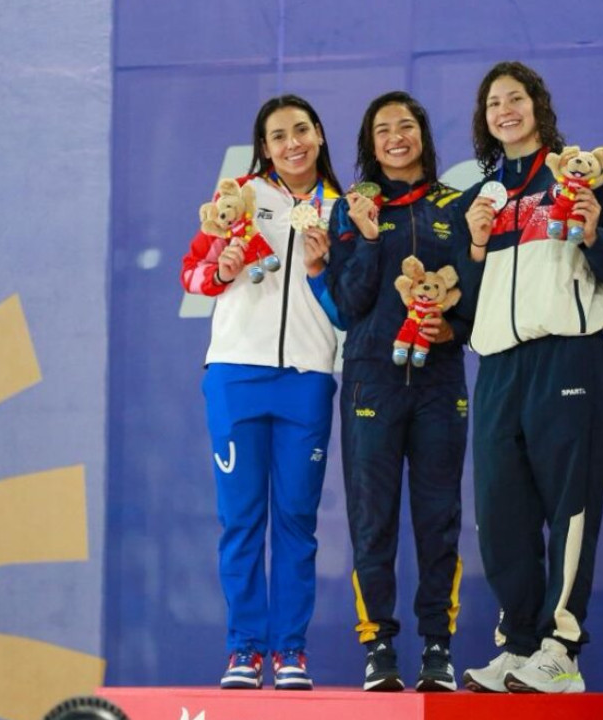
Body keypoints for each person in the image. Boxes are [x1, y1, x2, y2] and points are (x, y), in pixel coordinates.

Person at [450, 61, 603, 694]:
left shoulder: (577, 173)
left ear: (538, 106)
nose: (504, 110)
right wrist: (475, 248)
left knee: (568, 506)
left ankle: (561, 646)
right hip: (500, 364)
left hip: (567, 356)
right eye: (493, 103)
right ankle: (520, 643)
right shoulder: (485, 195)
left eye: (516, 98)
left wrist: (589, 229)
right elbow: (463, 297)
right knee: (499, 510)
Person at [180, 94, 344, 691]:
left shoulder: (343, 209)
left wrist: (327, 268)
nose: (291, 143)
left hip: (307, 378)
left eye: (301, 130)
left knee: (297, 521)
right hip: (236, 375)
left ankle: (291, 651)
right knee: (242, 519)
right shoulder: (241, 200)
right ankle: (245, 649)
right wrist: (221, 269)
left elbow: (348, 309)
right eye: (278, 136)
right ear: (265, 147)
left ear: (320, 134)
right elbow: (192, 276)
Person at [325, 91, 470, 693]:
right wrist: (365, 237)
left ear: (422, 135)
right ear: (369, 142)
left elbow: (477, 298)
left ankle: (437, 645)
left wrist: (451, 329)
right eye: (382, 129)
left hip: (439, 384)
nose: (395, 137)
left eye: (405, 126)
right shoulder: (355, 207)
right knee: (372, 520)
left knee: (439, 519)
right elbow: (347, 304)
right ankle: (378, 646)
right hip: (371, 379)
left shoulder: (456, 206)